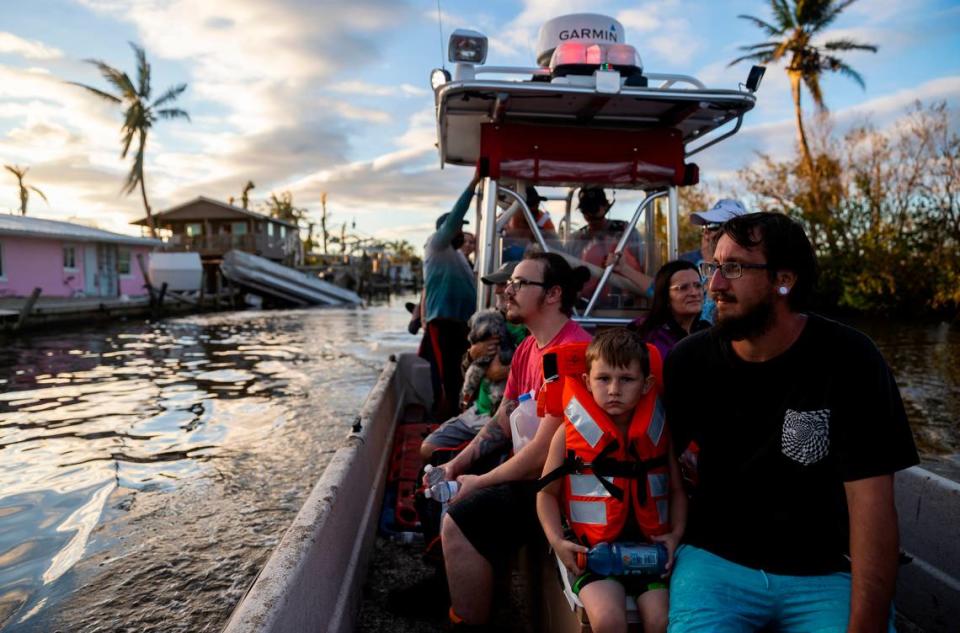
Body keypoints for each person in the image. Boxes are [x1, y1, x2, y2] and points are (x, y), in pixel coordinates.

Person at [664, 212, 919, 632]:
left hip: (824, 573)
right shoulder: (690, 361)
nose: (714, 286)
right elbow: (650, 459)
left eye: (734, 268)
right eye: (713, 267)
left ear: (784, 280)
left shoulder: (851, 360)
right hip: (715, 564)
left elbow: (871, 507)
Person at [429, 251, 592, 628]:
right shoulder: (527, 349)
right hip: (532, 475)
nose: (507, 290)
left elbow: (541, 458)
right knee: (449, 475)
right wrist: (456, 464)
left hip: (560, 487)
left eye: (519, 284)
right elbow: (502, 419)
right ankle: (469, 594)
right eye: (509, 283)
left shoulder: (575, 354)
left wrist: (478, 482)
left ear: (552, 295)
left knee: (458, 520)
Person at [537, 328, 687, 633]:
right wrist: (557, 542)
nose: (614, 389)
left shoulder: (659, 434)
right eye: (603, 379)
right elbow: (546, 494)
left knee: (662, 622)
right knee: (609, 621)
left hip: (650, 554)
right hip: (593, 554)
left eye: (626, 379)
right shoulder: (567, 434)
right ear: (586, 382)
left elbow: (676, 490)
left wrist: (676, 535)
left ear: (646, 385)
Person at [420, 261, 527, 460]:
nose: (498, 290)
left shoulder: (529, 330)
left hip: (506, 416)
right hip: (477, 410)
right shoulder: (488, 321)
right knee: (428, 448)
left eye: (504, 284)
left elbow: (538, 373)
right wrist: (472, 354)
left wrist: (504, 371)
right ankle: (474, 459)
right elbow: (466, 370)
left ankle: (473, 460)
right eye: (498, 285)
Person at [420, 174, 481, 419]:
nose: (461, 231)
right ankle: (442, 422)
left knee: (462, 374)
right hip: (443, 322)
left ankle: (460, 416)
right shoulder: (435, 245)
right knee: (448, 378)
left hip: (463, 325)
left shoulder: (459, 258)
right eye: (458, 227)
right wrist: (473, 185)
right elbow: (456, 214)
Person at [567, 187, 653, 307]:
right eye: (586, 209)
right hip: (586, 306)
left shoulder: (627, 231)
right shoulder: (576, 239)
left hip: (627, 304)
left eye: (595, 207)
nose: (590, 213)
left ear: (606, 206)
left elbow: (644, 265)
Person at [678, 198, 749, 323]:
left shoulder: (747, 269)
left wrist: (712, 264)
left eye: (713, 226)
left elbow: (712, 320)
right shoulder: (693, 264)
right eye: (705, 225)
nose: (706, 232)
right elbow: (659, 290)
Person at [630, 260, 710, 361]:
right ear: (665, 296)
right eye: (683, 288)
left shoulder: (707, 332)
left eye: (698, 286)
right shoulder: (646, 336)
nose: (694, 293)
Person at [501, 185, 558, 262]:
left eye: (536, 202)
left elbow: (557, 250)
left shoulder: (545, 226)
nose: (534, 207)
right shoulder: (499, 227)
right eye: (528, 204)